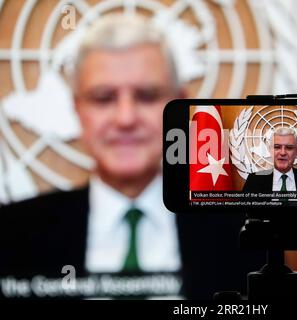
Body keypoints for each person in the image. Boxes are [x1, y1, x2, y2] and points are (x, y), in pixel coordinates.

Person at [0, 14, 263, 299]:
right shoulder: (11, 235)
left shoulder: (247, 237)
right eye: (103, 98)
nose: (126, 118)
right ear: (78, 110)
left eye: (147, 96)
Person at [242, 127, 297, 202]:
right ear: (270, 150)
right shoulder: (254, 181)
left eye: (289, 148)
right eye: (277, 147)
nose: (282, 153)